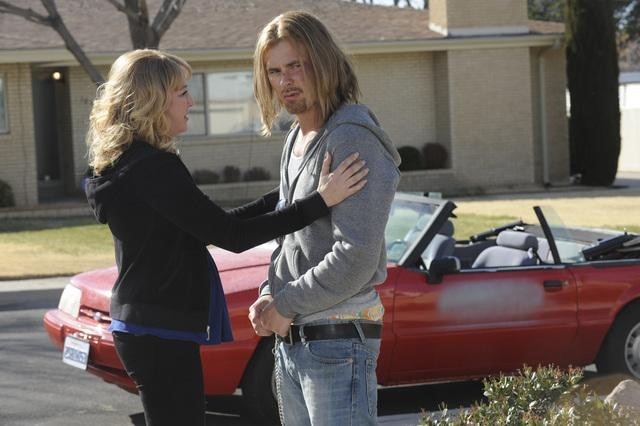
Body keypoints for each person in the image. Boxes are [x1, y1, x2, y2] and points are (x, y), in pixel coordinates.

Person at [84, 48, 368, 426]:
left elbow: (213, 225)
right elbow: (232, 235)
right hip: (157, 329)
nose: (192, 101)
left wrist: (290, 196)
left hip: (147, 325)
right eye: (182, 92)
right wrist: (321, 200)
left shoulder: (134, 162)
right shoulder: (153, 168)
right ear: (153, 100)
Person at [248, 11, 401, 426]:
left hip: (338, 340)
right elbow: (289, 238)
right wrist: (269, 293)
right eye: (275, 71)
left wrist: (285, 303)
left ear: (324, 62)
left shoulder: (351, 137)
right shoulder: (296, 139)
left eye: (296, 66)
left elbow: (356, 255)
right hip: (294, 341)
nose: (286, 81)